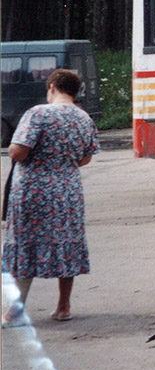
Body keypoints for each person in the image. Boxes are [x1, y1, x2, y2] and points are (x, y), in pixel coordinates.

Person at [2, 69, 100, 326]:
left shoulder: (37, 113)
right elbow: (85, 157)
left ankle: (14, 312)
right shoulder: (84, 118)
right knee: (66, 243)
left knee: (24, 244)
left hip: (33, 190)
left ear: (53, 87)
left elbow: (19, 152)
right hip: (68, 190)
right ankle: (63, 306)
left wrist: (13, 147)